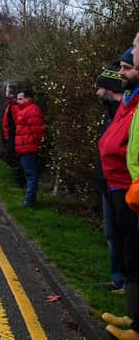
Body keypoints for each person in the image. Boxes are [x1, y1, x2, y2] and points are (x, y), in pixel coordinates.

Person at [100, 44, 139, 339]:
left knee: (132, 251)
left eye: (127, 67)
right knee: (128, 250)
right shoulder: (128, 99)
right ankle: (132, 316)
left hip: (129, 186)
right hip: (118, 184)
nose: (121, 73)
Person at [95, 63, 125, 293]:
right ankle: (119, 280)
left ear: (109, 87)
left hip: (121, 184)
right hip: (108, 183)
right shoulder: (111, 113)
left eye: (100, 87)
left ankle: (126, 283)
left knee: (123, 235)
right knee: (112, 233)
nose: (97, 93)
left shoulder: (122, 113)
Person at [14, 89, 45, 207]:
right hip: (24, 148)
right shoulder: (25, 109)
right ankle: (29, 199)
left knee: (31, 174)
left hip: (28, 148)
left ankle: (29, 201)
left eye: (20, 99)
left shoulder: (32, 110)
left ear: (28, 99)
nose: (18, 101)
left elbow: (37, 131)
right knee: (29, 174)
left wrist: (35, 144)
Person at [2, 83, 25, 187]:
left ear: (10, 92)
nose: (5, 91)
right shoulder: (11, 103)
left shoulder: (14, 105)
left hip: (14, 136)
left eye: (7, 90)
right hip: (12, 135)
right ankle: (18, 180)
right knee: (14, 158)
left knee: (16, 158)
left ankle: (19, 182)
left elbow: (17, 122)